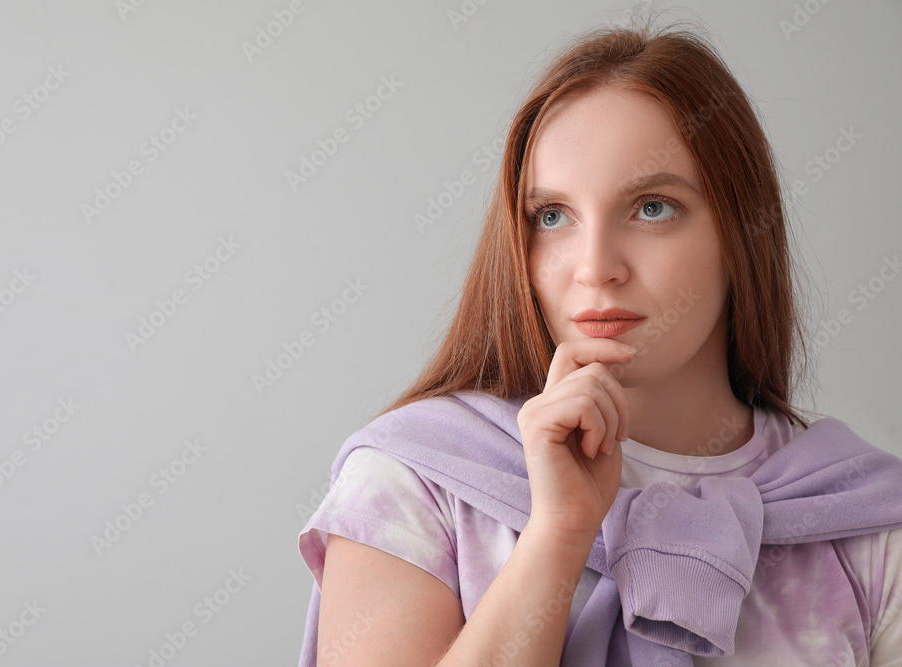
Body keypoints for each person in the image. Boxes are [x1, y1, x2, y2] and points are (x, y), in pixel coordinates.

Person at [295, 15, 902, 666]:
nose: (595, 266)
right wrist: (558, 532)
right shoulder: (411, 482)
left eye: (652, 207)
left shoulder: (866, 521)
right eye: (552, 217)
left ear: (740, 233)